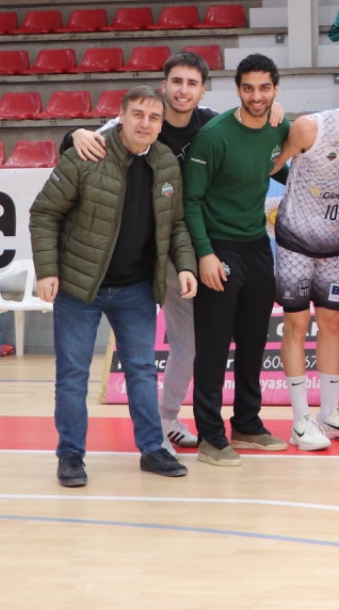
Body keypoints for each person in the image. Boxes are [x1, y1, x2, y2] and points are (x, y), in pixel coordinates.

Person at [63, 50, 283, 449]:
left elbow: (253, 123)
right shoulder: (143, 119)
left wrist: (274, 111)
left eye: (192, 83)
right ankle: (121, 437)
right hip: (131, 250)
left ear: (203, 90)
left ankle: (167, 419)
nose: (183, 90)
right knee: (126, 356)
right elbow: (89, 139)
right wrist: (74, 133)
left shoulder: (210, 124)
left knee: (190, 343)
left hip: (179, 250)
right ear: (164, 86)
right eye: (177, 82)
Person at [31, 86, 197, 487]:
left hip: (136, 288)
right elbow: (44, 213)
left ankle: (152, 448)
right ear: (120, 116)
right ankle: (71, 456)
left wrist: (186, 266)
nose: (145, 123)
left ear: (161, 124)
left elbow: (175, 223)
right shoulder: (87, 154)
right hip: (78, 286)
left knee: (142, 371)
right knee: (73, 376)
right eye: (138, 114)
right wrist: (47, 271)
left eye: (154, 117)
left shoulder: (166, 163)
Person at [183, 54, 292, 466]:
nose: (257, 96)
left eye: (264, 88)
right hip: (219, 247)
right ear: (237, 90)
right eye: (248, 88)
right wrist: (205, 254)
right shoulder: (213, 136)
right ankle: (210, 436)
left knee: (253, 342)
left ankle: (246, 422)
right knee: (213, 347)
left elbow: (293, 150)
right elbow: (191, 200)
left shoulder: (279, 126)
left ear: (276, 89)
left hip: (257, 246)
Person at [266, 65, 339, 452]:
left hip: (335, 246)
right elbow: (270, 164)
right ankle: (300, 420)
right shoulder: (310, 128)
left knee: (332, 324)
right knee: (297, 325)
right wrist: (271, 119)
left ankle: (329, 414)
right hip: (294, 242)